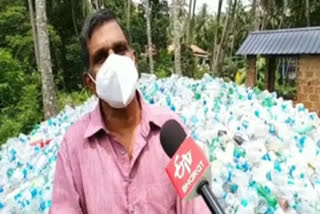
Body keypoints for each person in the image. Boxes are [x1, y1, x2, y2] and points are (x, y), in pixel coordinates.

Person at [49, 8, 210, 214]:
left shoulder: (173, 131)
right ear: (89, 82)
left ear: (133, 58)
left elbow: (197, 207)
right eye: (101, 58)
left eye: (120, 49)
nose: (113, 61)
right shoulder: (73, 149)